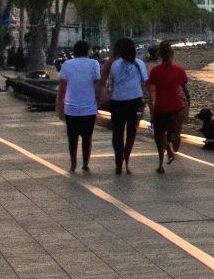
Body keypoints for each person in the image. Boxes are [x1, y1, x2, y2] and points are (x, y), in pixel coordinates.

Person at [100, 37, 148, 175]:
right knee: (131, 132)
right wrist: (147, 100)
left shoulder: (115, 65)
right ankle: (126, 159)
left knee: (117, 133)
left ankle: (118, 161)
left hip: (118, 101)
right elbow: (144, 82)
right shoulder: (139, 64)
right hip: (135, 101)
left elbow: (112, 84)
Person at [55, 41, 102, 173]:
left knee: (72, 137)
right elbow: (97, 84)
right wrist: (99, 101)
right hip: (89, 107)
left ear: (74, 52)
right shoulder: (94, 63)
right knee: (87, 138)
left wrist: (60, 105)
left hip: (71, 108)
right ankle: (85, 163)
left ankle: (73, 163)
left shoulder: (67, 65)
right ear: (88, 51)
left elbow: (62, 87)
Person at [145, 41, 190, 174]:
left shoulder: (155, 71)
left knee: (159, 136)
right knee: (172, 133)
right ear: (172, 55)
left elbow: (151, 91)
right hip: (176, 107)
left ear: (160, 54)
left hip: (160, 107)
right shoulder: (179, 70)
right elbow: (186, 91)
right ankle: (171, 145)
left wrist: (150, 107)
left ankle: (160, 164)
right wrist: (188, 103)